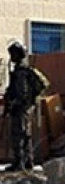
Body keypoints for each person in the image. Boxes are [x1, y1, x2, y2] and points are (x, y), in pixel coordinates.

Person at [2, 42, 49, 171]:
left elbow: (22, 93)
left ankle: (20, 162)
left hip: (21, 108)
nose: (11, 57)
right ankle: (28, 162)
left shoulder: (22, 72)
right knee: (25, 135)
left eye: (13, 54)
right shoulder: (19, 70)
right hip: (23, 107)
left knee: (19, 135)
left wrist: (13, 104)